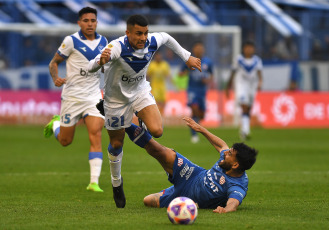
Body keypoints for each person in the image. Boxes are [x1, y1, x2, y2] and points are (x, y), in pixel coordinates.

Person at [88, 15, 201, 208]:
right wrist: (100, 61)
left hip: (140, 92)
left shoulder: (151, 42)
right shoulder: (116, 48)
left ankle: (134, 122)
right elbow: (90, 66)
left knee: (157, 130)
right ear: (128, 33)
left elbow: (166, 37)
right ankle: (116, 182)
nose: (143, 37)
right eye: (138, 33)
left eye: (146, 33)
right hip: (115, 100)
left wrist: (187, 56)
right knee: (116, 144)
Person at [124, 117, 257, 213]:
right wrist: (201, 129)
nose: (225, 153)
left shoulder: (238, 185)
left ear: (235, 165)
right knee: (159, 151)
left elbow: (233, 203)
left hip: (189, 199)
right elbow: (221, 145)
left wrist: (225, 210)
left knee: (147, 201)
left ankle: (173, 191)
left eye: (230, 154)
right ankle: (122, 122)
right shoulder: (227, 159)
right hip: (193, 175)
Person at [44, 7, 107, 193]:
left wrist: (106, 68)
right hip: (72, 97)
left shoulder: (104, 42)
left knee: (96, 134)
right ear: (79, 22)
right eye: (86, 20)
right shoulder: (70, 41)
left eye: (93, 20)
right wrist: (56, 78)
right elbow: (54, 62)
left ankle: (93, 183)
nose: (90, 24)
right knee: (65, 141)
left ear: (97, 22)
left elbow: (105, 67)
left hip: (94, 96)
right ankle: (56, 125)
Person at [225, 41, 263, 140]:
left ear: (253, 49)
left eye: (251, 47)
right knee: (244, 106)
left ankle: (243, 130)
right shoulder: (239, 59)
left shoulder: (257, 60)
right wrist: (228, 86)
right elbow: (232, 72)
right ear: (244, 49)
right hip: (241, 85)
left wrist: (260, 82)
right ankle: (246, 130)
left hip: (252, 86)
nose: (249, 49)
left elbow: (259, 74)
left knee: (249, 108)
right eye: (247, 47)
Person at [179, 41, 213, 143]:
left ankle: (197, 124)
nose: (199, 50)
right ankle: (194, 135)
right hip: (192, 89)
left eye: (201, 48)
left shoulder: (208, 62)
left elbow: (212, 75)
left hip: (202, 90)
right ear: (194, 49)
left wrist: (207, 80)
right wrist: (186, 71)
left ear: (203, 50)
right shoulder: (189, 60)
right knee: (194, 108)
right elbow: (181, 73)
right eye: (197, 48)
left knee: (201, 115)